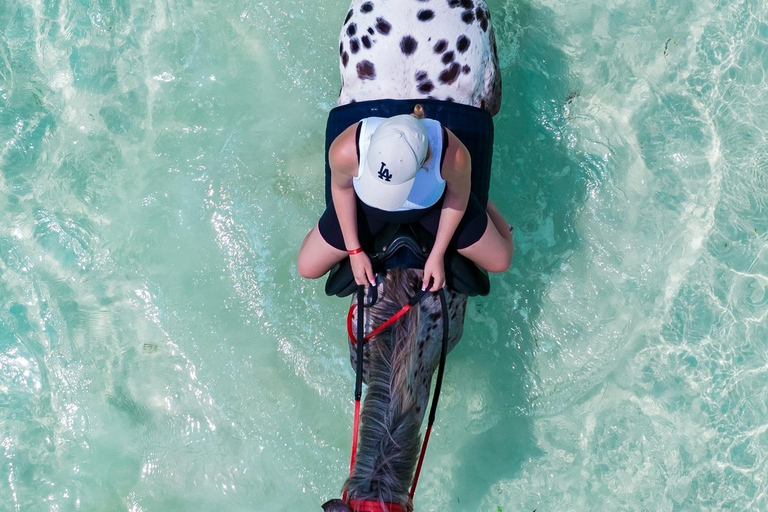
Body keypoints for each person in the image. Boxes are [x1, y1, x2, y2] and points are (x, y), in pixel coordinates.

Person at [297, 105, 513, 292]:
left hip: (432, 207)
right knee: (307, 267)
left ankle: (487, 205)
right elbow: (342, 189)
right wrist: (354, 251)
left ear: (423, 162)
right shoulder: (346, 149)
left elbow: (458, 196)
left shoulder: (452, 156)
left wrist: (437, 254)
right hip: (367, 208)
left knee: (500, 261)